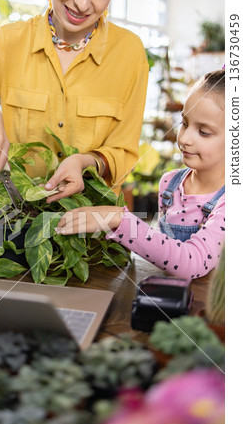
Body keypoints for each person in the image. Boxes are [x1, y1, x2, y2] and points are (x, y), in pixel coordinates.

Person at [0, 0, 149, 201]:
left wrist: (85, 162)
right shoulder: (12, 41)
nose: (81, 4)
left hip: (90, 231)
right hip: (12, 221)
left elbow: (124, 151)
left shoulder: (129, 52)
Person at [56, 69, 225, 279]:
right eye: (184, 123)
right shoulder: (170, 183)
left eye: (204, 132)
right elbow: (164, 248)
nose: (185, 139)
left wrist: (119, 218)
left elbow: (192, 261)